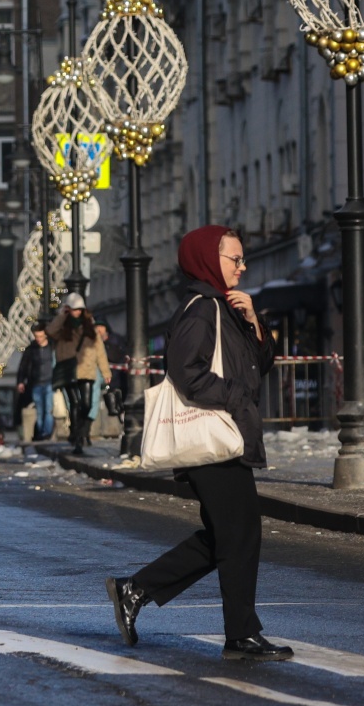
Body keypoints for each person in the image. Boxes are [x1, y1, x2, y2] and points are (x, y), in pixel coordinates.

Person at [105, 226, 289, 662]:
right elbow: (187, 372)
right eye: (234, 259)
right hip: (212, 436)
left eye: (243, 259)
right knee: (241, 534)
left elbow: (258, 365)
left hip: (225, 434)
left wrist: (255, 324)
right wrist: (234, 399)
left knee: (231, 535)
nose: (242, 266)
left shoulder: (225, 308)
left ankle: (136, 589)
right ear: (209, 258)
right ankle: (241, 635)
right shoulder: (202, 309)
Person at [48, 295, 101, 453]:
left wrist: (105, 371)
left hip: (86, 369)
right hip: (68, 371)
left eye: (79, 309)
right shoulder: (63, 325)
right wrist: (62, 315)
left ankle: (80, 429)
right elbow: (50, 331)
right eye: (73, 309)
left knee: (86, 404)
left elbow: (99, 348)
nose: (76, 312)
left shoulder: (88, 325)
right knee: (75, 403)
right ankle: (78, 437)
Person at [16, 323, 56, 442]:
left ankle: (46, 432)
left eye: (41, 336)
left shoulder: (52, 347)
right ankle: (41, 432)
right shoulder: (31, 349)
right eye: (36, 336)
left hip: (50, 382)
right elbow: (23, 366)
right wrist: (21, 381)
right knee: (39, 410)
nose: (38, 339)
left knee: (48, 409)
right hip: (36, 383)